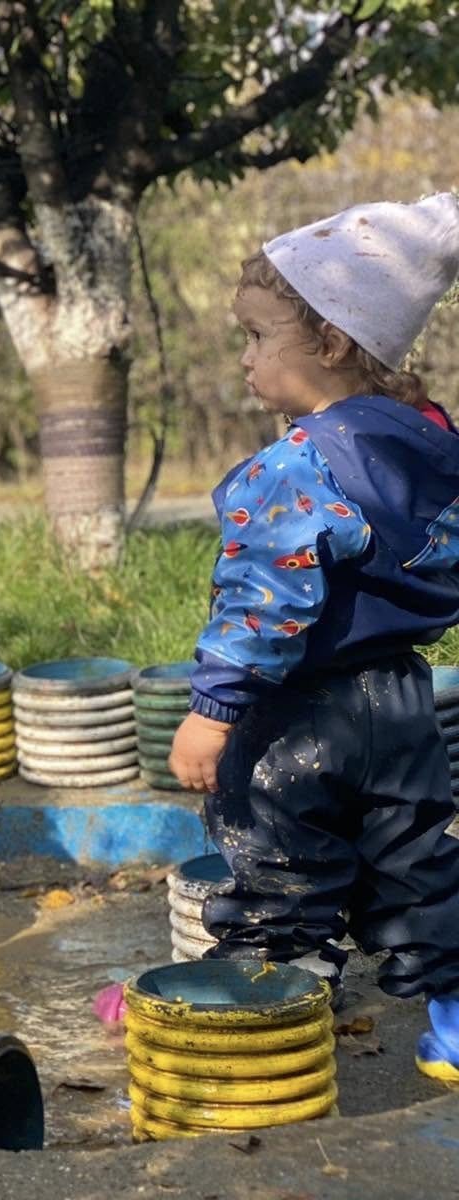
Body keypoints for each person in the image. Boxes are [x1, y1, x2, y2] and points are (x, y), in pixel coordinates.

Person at [167, 194, 459, 1080]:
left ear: (331, 341)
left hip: (300, 713)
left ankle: (274, 1025)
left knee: (279, 865)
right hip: (404, 704)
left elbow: (262, 603)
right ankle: (452, 1025)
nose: (246, 361)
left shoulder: (297, 464)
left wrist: (214, 712)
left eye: (258, 337)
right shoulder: (433, 445)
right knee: (419, 863)